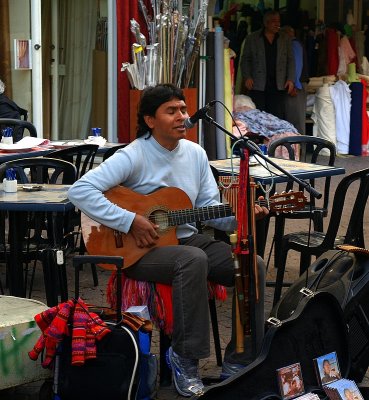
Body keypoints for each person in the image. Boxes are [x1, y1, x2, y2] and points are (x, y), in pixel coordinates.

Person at [68, 84, 269, 397]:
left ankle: (240, 362)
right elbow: (80, 191)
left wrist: (242, 215)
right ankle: (185, 359)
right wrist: (130, 220)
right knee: (192, 260)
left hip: (185, 240)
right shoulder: (133, 155)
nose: (182, 117)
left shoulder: (196, 154)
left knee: (251, 263)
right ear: (150, 120)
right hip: (140, 251)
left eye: (184, 110)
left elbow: (209, 211)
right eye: (171, 111)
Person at [241, 10, 295, 119]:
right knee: (258, 116)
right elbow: (245, 59)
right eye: (274, 21)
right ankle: (260, 137)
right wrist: (247, 77)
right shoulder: (252, 38)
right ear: (266, 23)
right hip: (258, 84)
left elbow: (291, 60)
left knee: (277, 116)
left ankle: (276, 136)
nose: (278, 24)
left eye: (279, 21)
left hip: (279, 84)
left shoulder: (285, 38)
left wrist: (290, 79)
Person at [281, 25, 309, 134]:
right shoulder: (295, 44)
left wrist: (294, 84)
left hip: (297, 85)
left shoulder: (294, 44)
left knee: (295, 117)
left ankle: (299, 148)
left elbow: (297, 65)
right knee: (294, 116)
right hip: (296, 83)